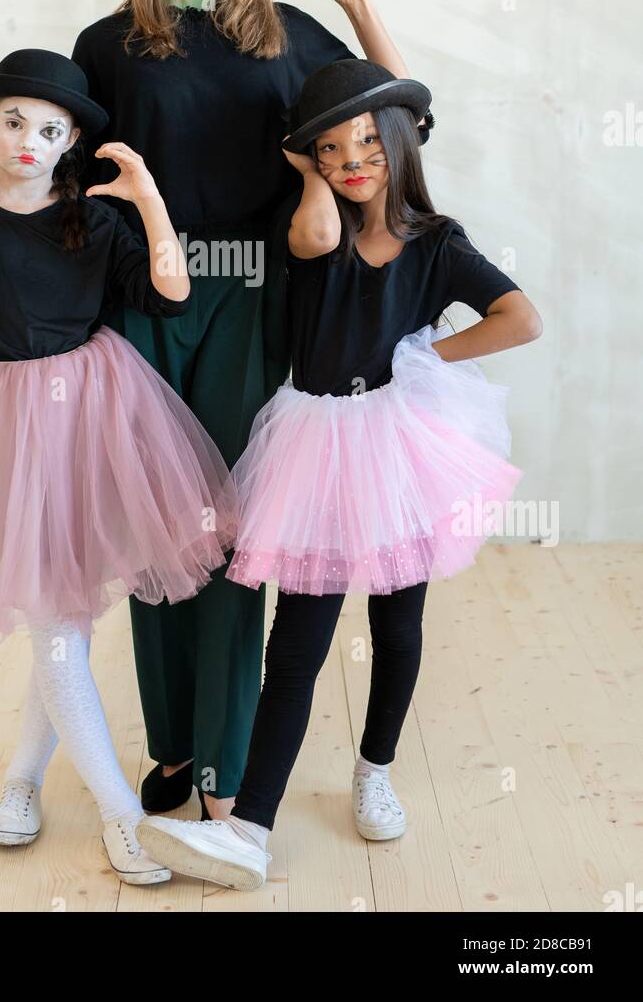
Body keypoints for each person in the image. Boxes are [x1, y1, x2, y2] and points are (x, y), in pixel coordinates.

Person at [70, 0, 416, 821]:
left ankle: (223, 770)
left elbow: (392, 127)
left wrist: (360, 3)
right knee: (151, 530)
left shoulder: (293, 38)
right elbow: (65, 182)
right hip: (142, 301)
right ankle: (170, 753)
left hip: (257, 300)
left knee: (227, 533)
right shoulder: (104, 46)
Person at [136, 58, 543, 890]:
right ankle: (250, 828)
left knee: (397, 625)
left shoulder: (438, 245)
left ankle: (375, 768)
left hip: (398, 446)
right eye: (331, 148)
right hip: (315, 445)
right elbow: (316, 232)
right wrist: (304, 166)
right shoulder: (318, 236)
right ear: (311, 162)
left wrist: (424, 353)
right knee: (297, 649)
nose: (352, 158)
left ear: (400, 141)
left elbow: (520, 318)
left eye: (367, 141)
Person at [0, 48, 238, 886]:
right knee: (55, 621)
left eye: (49, 129)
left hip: (89, 410)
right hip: (4, 416)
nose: (29, 140)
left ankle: (22, 782)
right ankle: (121, 815)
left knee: (59, 617)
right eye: (13, 122)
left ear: (71, 136)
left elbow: (171, 295)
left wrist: (149, 203)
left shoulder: (93, 218)